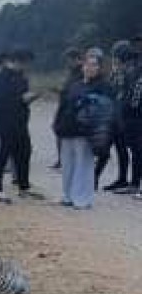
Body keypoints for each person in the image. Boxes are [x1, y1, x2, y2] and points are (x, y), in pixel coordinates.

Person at [55, 52, 113, 210]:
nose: (89, 68)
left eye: (94, 65)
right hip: (68, 130)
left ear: (100, 68)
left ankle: (82, 198)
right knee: (68, 165)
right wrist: (57, 125)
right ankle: (68, 195)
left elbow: (105, 109)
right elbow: (63, 106)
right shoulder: (74, 84)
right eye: (87, 64)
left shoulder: (103, 86)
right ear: (82, 66)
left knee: (84, 164)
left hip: (86, 133)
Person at [0, 48, 41, 204]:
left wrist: (29, 99)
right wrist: (19, 99)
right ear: (16, 61)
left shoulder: (22, 78)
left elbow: (22, 101)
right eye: (25, 63)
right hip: (2, 125)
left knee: (24, 154)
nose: (27, 67)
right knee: (1, 157)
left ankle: (24, 186)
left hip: (20, 124)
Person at [95, 41, 133, 190]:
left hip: (120, 117)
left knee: (120, 149)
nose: (113, 58)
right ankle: (96, 176)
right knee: (108, 149)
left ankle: (121, 178)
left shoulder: (127, 72)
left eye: (115, 55)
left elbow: (123, 95)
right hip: (114, 116)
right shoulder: (116, 71)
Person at [50, 48, 84, 169]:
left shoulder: (81, 72)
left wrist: (62, 91)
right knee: (58, 130)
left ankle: (66, 159)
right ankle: (62, 159)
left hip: (72, 108)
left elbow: (76, 90)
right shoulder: (72, 72)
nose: (68, 62)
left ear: (76, 59)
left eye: (70, 59)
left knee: (65, 132)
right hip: (64, 105)